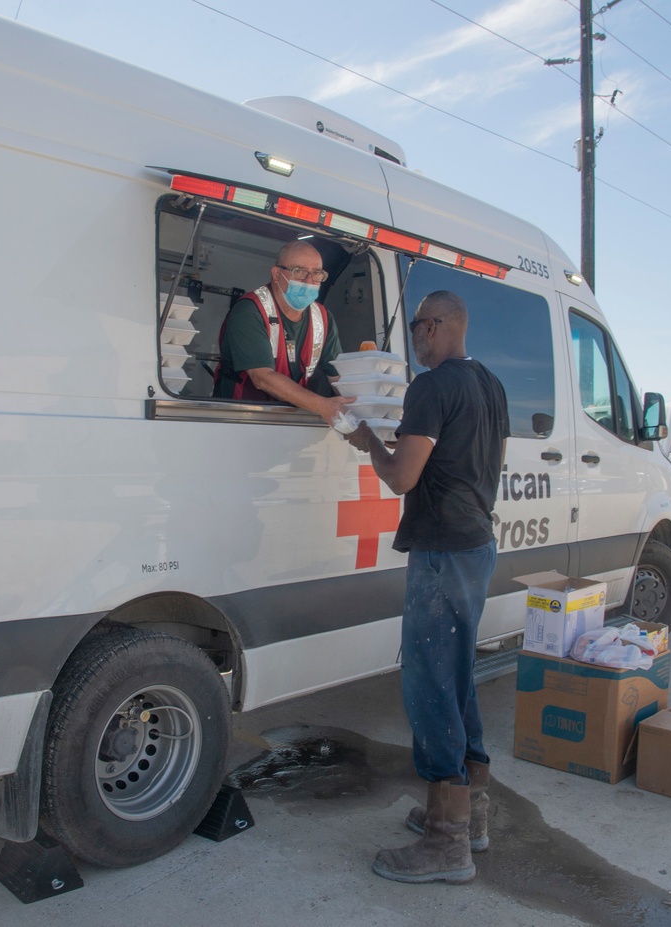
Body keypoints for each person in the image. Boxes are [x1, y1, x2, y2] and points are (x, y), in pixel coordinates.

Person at [345, 290, 509, 885]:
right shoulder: (489, 384)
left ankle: (447, 843)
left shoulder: (432, 386)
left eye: (417, 327)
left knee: (430, 685)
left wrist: (368, 442)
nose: (414, 337)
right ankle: (474, 818)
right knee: (458, 675)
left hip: (442, 548)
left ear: (437, 325)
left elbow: (401, 477)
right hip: (476, 543)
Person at [213, 240, 354, 426]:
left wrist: (365, 413)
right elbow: (262, 377)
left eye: (317, 274)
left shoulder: (322, 317)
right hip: (241, 420)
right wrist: (323, 406)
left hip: (290, 419)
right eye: (299, 271)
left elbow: (338, 378)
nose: (309, 281)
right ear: (277, 274)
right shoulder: (250, 310)